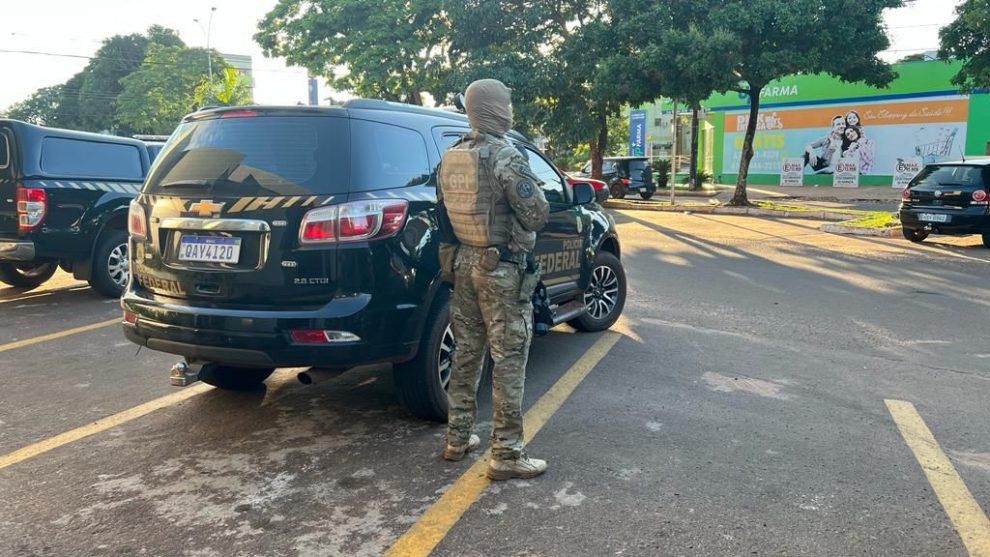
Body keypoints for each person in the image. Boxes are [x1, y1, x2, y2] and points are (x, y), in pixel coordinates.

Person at [437, 78, 550, 481]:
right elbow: (536, 214)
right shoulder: (506, 155)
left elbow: (442, 214)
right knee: (509, 359)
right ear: (495, 108)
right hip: (501, 270)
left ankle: (457, 439)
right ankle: (506, 454)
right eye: (507, 103)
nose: (510, 110)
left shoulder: (452, 155)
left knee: (467, 353)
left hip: (463, 264)